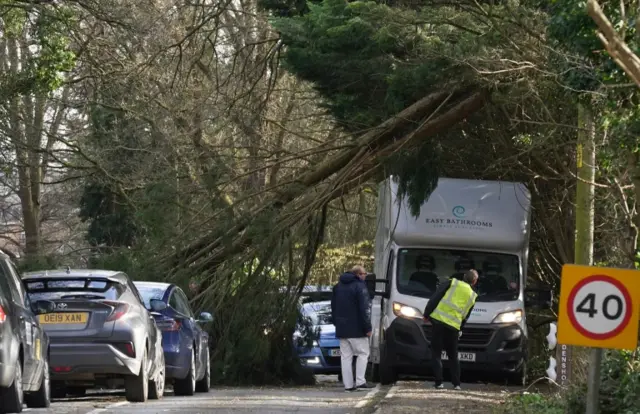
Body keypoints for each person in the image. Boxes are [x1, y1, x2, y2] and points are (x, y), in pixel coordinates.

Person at [422, 269, 479, 390]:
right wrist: (460, 328)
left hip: (439, 321)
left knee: (436, 353)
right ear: (474, 281)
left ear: (464, 277)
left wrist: (426, 314)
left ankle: (439, 383)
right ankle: (456, 384)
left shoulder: (452, 283)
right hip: (454, 326)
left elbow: (436, 297)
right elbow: (466, 315)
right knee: (453, 355)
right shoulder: (473, 296)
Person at [331, 265, 375, 392]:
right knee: (363, 353)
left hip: (342, 329)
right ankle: (361, 382)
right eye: (364, 274)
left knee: (345, 357)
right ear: (358, 274)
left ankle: (348, 385)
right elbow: (364, 309)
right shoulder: (360, 286)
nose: (365, 276)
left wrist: (336, 323)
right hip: (357, 329)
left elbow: (333, 307)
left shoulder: (337, 286)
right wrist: (368, 327)